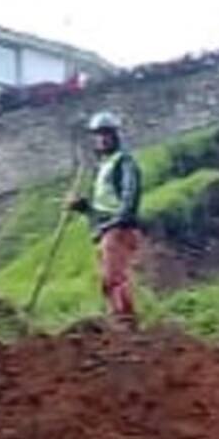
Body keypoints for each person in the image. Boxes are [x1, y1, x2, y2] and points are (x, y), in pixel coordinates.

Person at [68, 111, 142, 326]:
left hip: (118, 228)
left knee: (114, 277)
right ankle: (116, 320)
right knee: (106, 279)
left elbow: (130, 198)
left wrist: (115, 223)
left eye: (106, 134)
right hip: (105, 228)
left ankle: (126, 322)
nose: (101, 139)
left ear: (115, 135)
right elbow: (100, 206)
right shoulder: (102, 166)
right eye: (98, 134)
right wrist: (83, 207)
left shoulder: (124, 162)